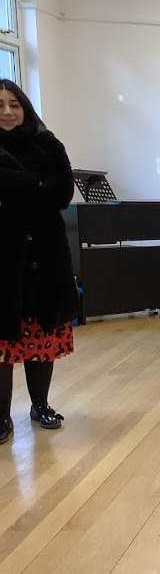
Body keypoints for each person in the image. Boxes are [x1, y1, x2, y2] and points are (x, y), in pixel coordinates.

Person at [0, 80, 78, 445]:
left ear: (25, 107)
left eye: (14, 104)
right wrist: (35, 187)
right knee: (1, 341)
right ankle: (1, 417)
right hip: (3, 258)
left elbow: (61, 193)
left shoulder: (48, 144)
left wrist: (13, 187)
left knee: (39, 335)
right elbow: (44, 191)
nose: (7, 112)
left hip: (44, 255)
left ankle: (40, 405)